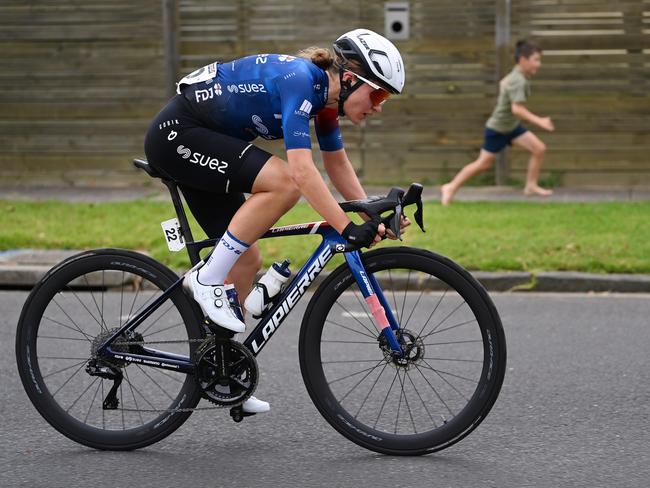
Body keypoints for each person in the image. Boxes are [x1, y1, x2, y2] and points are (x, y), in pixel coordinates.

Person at [144, 29, 409, 413]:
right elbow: (302, 173)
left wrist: (368, 209)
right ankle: (204, 280)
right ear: (350, 79)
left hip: (205, 141)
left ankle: (221, 369)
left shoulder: (327, 101)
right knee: (284, 183)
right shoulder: (303, 81)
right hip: (178, 136)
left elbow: (335, 163)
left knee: (246, 260)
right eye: (379, 94)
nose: (380, 106)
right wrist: (347, 226)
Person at [441, 40, 555, 206]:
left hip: (511, 126)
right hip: (499, 129)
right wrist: (541, 121)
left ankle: (530, 186)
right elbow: (517, 110)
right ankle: (450, 187)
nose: (539, 64)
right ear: (523, 60)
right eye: (536, 59)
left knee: (539, 148)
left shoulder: (516, 76)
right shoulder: (518, 80)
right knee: (483, 164)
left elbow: (504, 84)